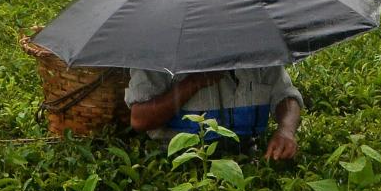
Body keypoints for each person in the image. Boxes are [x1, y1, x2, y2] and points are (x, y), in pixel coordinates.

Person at [125, 67, 303, 161]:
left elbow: (286, 95)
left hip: (247, 159)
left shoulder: (258, 48)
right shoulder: (159, 51)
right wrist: (194, 83)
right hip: (178, 163)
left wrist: (285, 130)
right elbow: (140, 118)